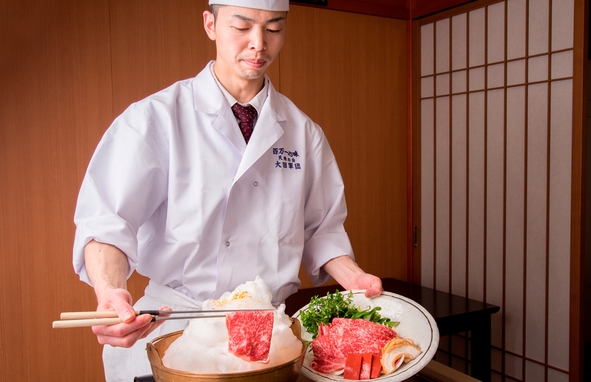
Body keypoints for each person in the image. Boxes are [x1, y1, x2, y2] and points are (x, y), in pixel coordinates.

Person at [71, 0, 383, 380]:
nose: (259, 44)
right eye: (242, 26)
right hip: (175, 329)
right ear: (210, 24)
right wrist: (109, 293)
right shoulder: (154, 118)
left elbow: (323, 230)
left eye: (273, 29)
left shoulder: (303, 132)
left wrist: (354, 278)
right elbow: (107, 222)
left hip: (271, 340)